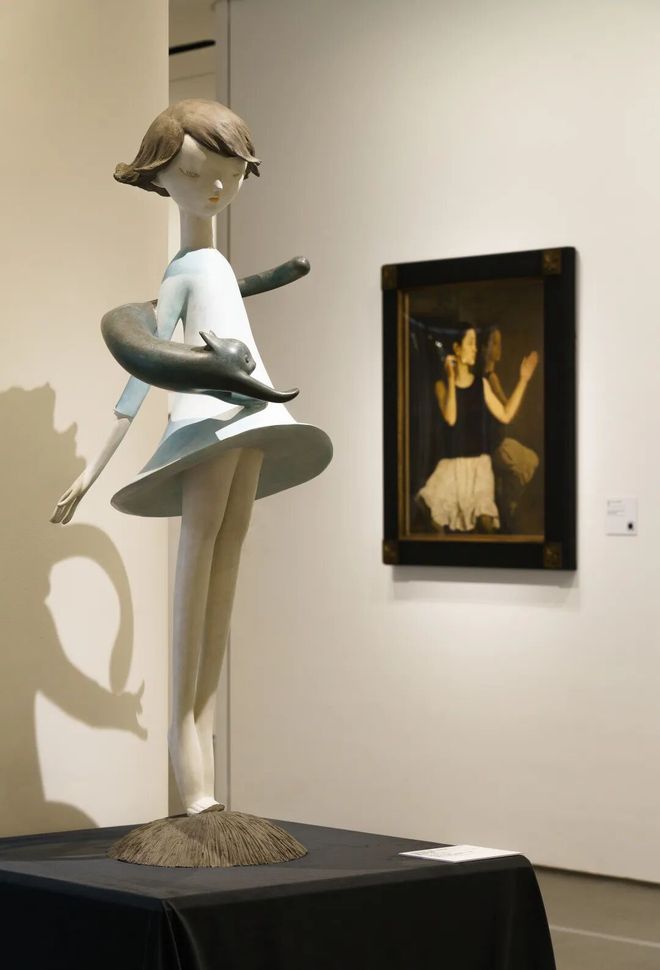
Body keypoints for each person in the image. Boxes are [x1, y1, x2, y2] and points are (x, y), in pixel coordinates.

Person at [51, 100, 332, 816]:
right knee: (198, 564)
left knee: (224, 571)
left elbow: (216, 319)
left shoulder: (215, 266)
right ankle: (190, 763)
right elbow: (143, 368)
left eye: (229, 174)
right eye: (198, 174)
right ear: (160, 178)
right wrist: (91, 470)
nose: (215, 188)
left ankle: (202, 759)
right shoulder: (184, 270)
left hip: (253, 421)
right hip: (207, 427)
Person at [417, 323, 537, 533]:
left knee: (486, 524)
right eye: (470, 343)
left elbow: (506, 414)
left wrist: (523, 380)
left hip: (479, 466)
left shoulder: (482, 384)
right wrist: (451, 379)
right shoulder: (441, 386)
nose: (475, 349)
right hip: (452, 468)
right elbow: (451, 418)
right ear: (456, 349)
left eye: (475, 343)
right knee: (436, 522)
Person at [481, 326, 540, 531]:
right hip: (494, 445)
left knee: (526, 463)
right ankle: (509, 504)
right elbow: (507, 412)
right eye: (494, 343)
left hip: (496, 442)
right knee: (529, 461)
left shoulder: (488, 377)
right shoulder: (490, 378)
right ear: (484, 348)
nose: (499, 348)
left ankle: (507, 502)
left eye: (500, 343)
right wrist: (522, 382)